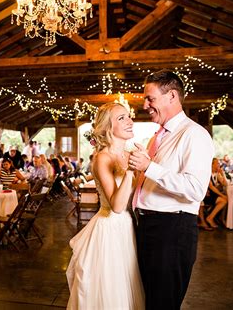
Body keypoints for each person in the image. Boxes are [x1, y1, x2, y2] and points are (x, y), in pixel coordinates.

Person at [129, 70, 214, 310]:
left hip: (172, 231)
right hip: (148, 227)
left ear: (172, 96)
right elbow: (153, 181)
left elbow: (196, 189)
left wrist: (150, 167)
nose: (145, 104)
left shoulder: (194, 135)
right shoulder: (158, 136)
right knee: (150, 300)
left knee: (163, 302)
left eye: (150, 98)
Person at [66, 102, 144, 309]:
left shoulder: (129, 155)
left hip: (127, 226)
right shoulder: (102, 158)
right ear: (108, 128)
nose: (130, 121)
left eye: (128, 116)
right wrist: (129, 172)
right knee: (111, 290)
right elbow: (117, 206)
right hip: (109, 228)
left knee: (128, 284)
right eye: (121, 118)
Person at [198, 158, 228, 230]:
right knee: (224, 200)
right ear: (212, 165)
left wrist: (222, 173)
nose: (219, 165)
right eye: (217, 163)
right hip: (205, 196)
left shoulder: (216, 174)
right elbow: (211, 187)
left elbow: (225, 184)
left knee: (224, 200)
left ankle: (211, 217)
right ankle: (210, 218)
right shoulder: (207, 173)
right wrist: (222, 195)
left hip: (211, 195)